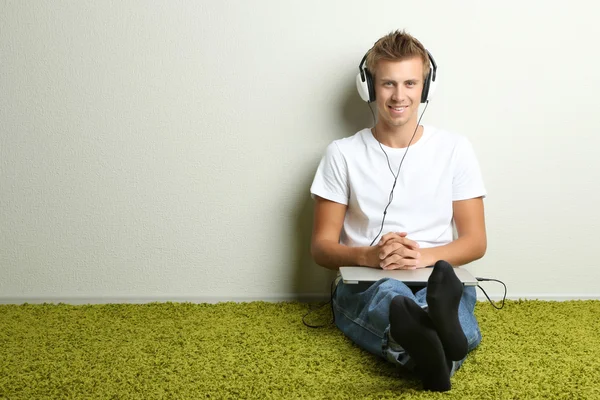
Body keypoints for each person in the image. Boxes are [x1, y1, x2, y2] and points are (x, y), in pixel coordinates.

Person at [309, 30, 487, 392]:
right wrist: (371, 256)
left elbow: (476, 241)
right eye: (388, 83)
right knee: (390, 294)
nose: (399, 95)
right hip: (367, 281)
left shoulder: (455, 149)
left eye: (410, 83)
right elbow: (321, 247)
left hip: (438, 277)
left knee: (442, 299)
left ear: (426, 87)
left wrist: (420, 256)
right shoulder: (341, 153)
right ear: (369, 86)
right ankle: (447, 352)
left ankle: (430, 350)